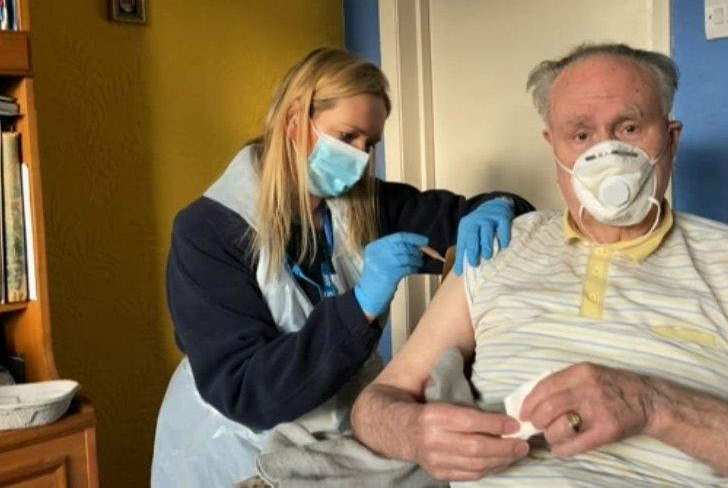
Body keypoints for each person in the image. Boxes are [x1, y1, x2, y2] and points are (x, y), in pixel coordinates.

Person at [351, 44, 728, 486]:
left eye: (629, 127)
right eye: (581, 135)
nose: (608, 155)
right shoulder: (502, 247)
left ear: (671, 139)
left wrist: (653, 405)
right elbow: (377, 403)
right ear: (553, 150)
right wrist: (415, 434)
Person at [150, 48, 533, 487]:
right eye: (347, 136)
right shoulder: (207, 232)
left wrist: (501, 205)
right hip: (238, 449)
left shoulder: (365, 203)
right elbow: (247, 389)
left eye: (369, 143)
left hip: (328, 443)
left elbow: (468, 217)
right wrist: (360, 307)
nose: (360, 158)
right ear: (295, 122)